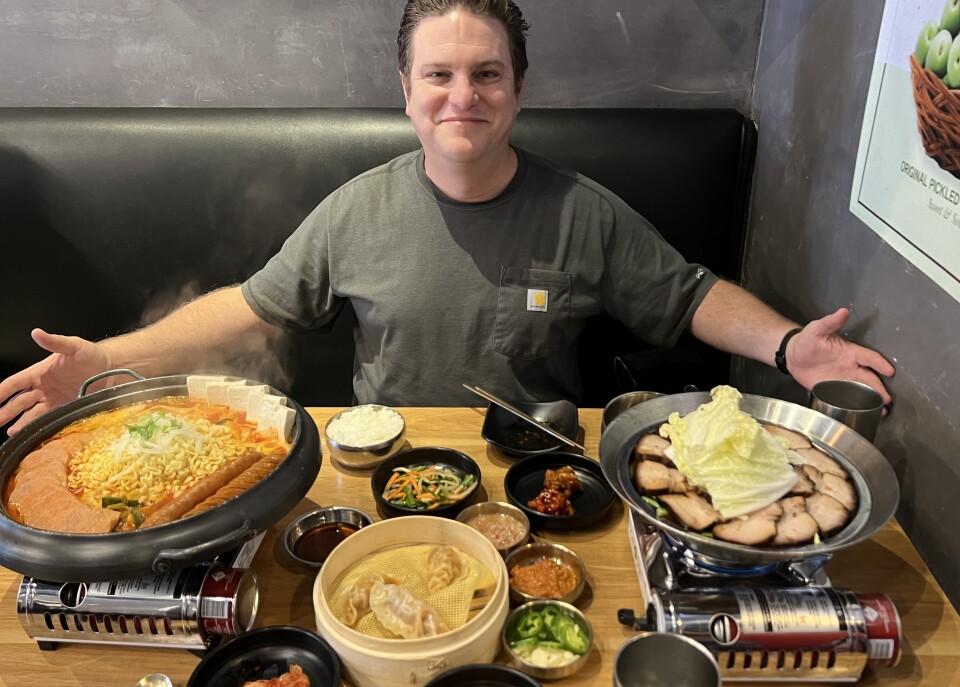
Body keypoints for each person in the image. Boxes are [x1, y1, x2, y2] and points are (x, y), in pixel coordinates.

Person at [0, 0, 894, 437]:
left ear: (518, 89)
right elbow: (248, 310)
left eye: (486, 74)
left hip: (534, 468)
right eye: (439, 75)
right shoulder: (356, 210)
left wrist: (787, 346)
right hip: (385, 463)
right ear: (407, 90)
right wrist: (106, 361)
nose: (462, 96)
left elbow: (691, 295)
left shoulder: (582, 211)